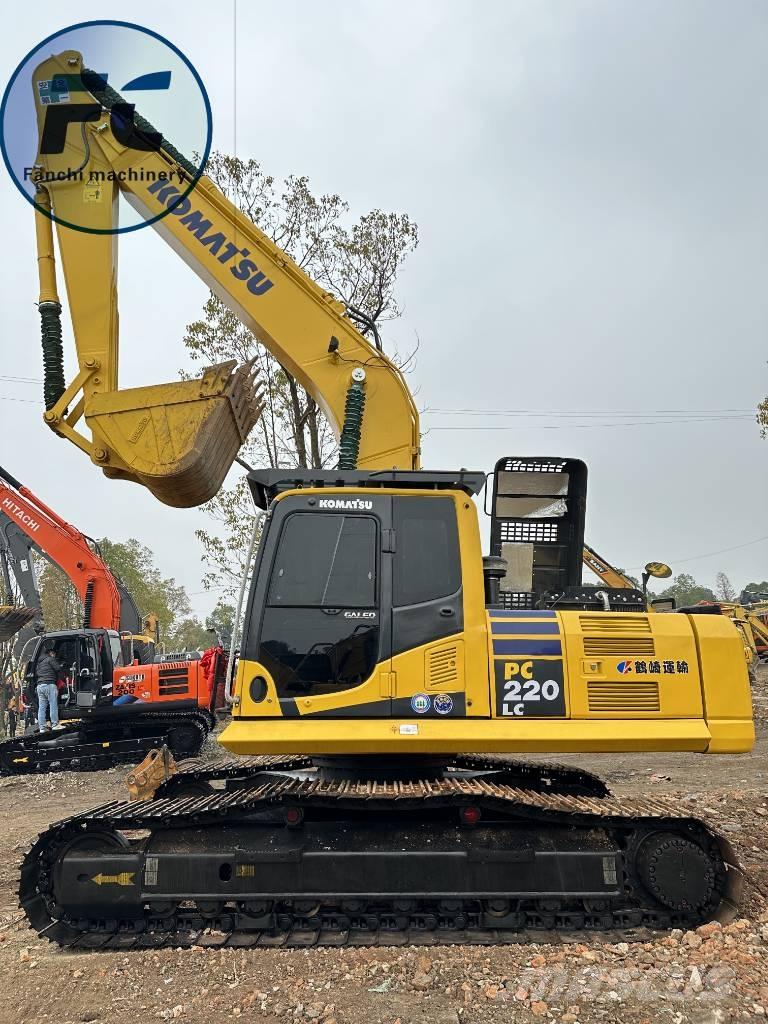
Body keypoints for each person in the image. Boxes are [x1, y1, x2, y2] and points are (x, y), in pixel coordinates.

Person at [35, 643, 63, 732]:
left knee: (41, 708)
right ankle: (55, 724)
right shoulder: (50, 659)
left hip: (40, 686)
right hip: (49, 685)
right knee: (53, 705)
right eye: (54, 654)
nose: (54, 656)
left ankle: (42, 728)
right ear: (51, 653)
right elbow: (58, 668)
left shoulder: (39, 663)